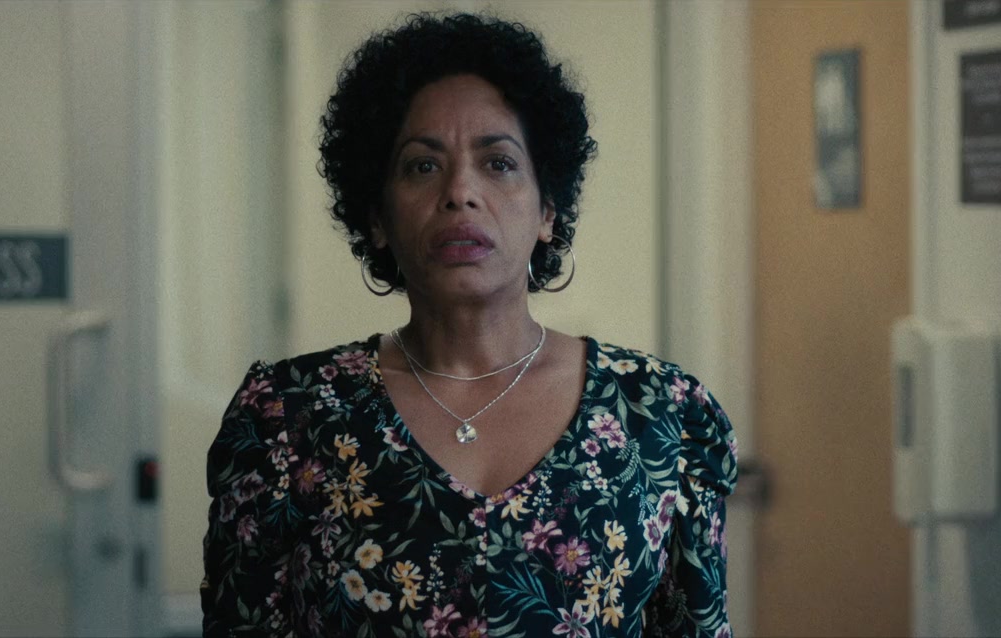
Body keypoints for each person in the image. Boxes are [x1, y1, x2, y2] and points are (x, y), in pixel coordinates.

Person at [201, 12, 737, 638]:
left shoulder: (661, 415)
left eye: (499, 163)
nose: (460, 191)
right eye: (422, 166)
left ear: (548, 210)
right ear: (377, 218)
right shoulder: (288, 418)